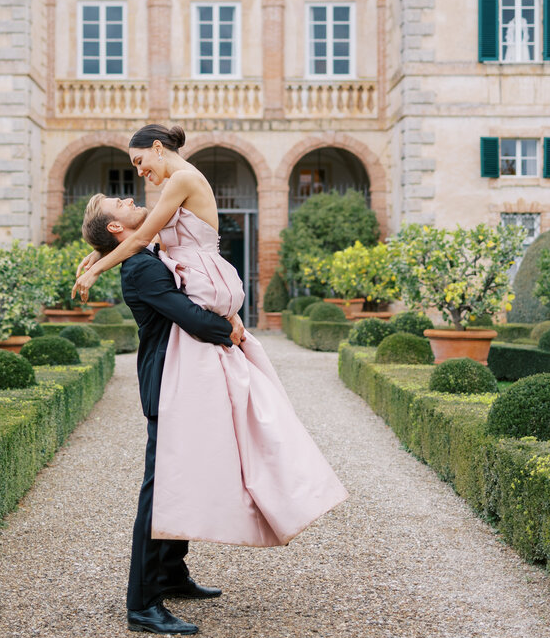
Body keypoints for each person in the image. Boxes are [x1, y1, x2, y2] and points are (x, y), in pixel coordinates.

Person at [76, 126, 348, 549]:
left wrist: (97, 268)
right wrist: (97, 250)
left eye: (140, 162)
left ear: (158, 148)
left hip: (201, 279)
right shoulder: (171, 185)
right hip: (195, 285)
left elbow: (143, 235)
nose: (140, 173)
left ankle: (277, 493)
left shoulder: (182, 179)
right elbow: (141, 229)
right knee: (197, 455)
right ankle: (175, 567)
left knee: (222, 441)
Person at [82, 193, 245, 636]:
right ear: (117, 228)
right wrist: (228, 328)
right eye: (120, 203)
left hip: (184, 382)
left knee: (184, 482)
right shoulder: (141, 267)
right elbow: (190, 318)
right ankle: (143, 605)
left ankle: (172, 575)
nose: (131, 197)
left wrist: (96, 255)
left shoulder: (150, 251)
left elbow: (175, 214)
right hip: (168, 385)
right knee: (157, 494)